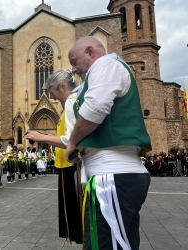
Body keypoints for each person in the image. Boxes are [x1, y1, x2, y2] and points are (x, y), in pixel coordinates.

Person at [65, 36, 151, 250]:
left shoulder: (106, 64)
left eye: (75, 61)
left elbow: (95, 109)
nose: (73, 69)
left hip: (112, 178)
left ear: (90, 52)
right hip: (113, 177)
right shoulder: (103, 71)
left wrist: (73, 143)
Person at [26, 69, 83, 244]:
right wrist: (50, 138)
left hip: (71, 165)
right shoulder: (68, 108)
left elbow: (71, 139)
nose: (54, 98)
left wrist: (41, 137)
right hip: (64, 165)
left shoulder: (72, 104)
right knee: (72, 214)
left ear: (63, 86)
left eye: (54, 94)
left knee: (77, 214)